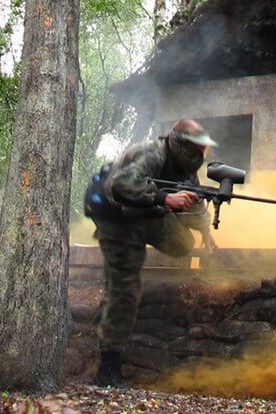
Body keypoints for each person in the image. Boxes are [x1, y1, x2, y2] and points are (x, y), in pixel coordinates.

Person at [84, 119, 218, 387]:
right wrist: (164, 199)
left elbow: (192, 197)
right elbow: (120, 184)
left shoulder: (184, 167)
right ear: (179, 144)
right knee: (125, 293)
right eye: (195, 149)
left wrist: (205, 230)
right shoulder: (152, 153)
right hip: (117, 222)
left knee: (184, 243)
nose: (200, 156)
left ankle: (147, 232)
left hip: (146, 216)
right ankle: (107, 370)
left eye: (202, 150)